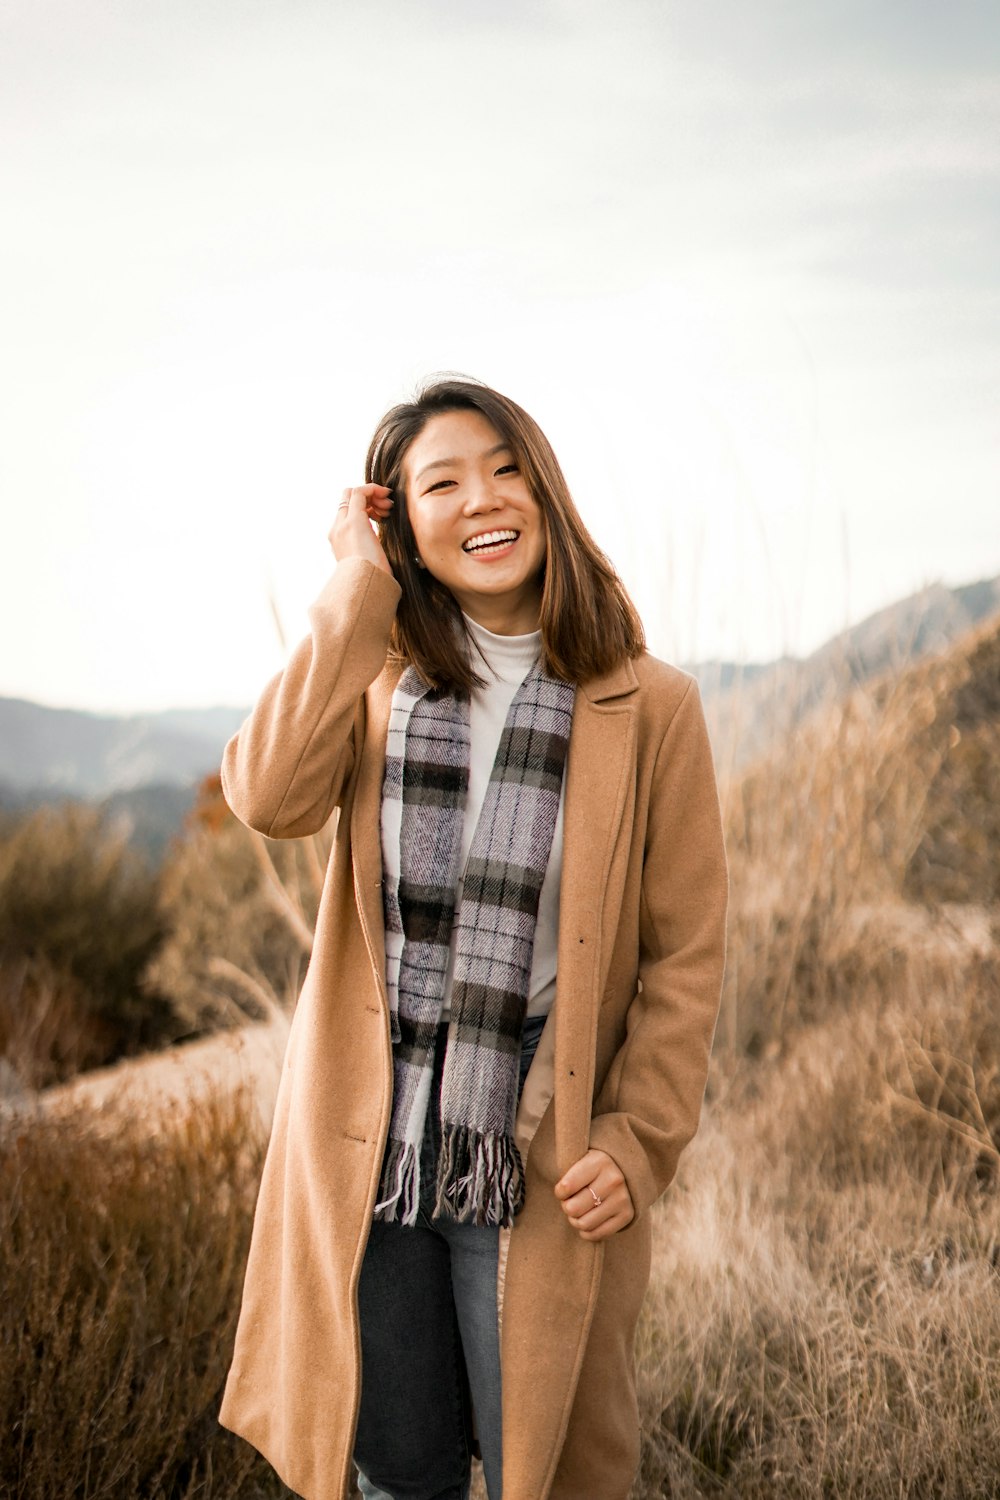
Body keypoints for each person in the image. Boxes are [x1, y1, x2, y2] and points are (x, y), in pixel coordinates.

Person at [217, 375, 729, 1500]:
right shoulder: (372, 687)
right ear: (400, 521)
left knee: (546, 1473)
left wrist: (637, 1140)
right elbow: (262, 795)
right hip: (373, 1158)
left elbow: (687, 953)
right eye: (440, 482)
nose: (483, 499)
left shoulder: (650, 707)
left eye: (505, 468)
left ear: (543, 492)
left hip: (541, 1155)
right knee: (398, 1476)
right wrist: (355, 585)